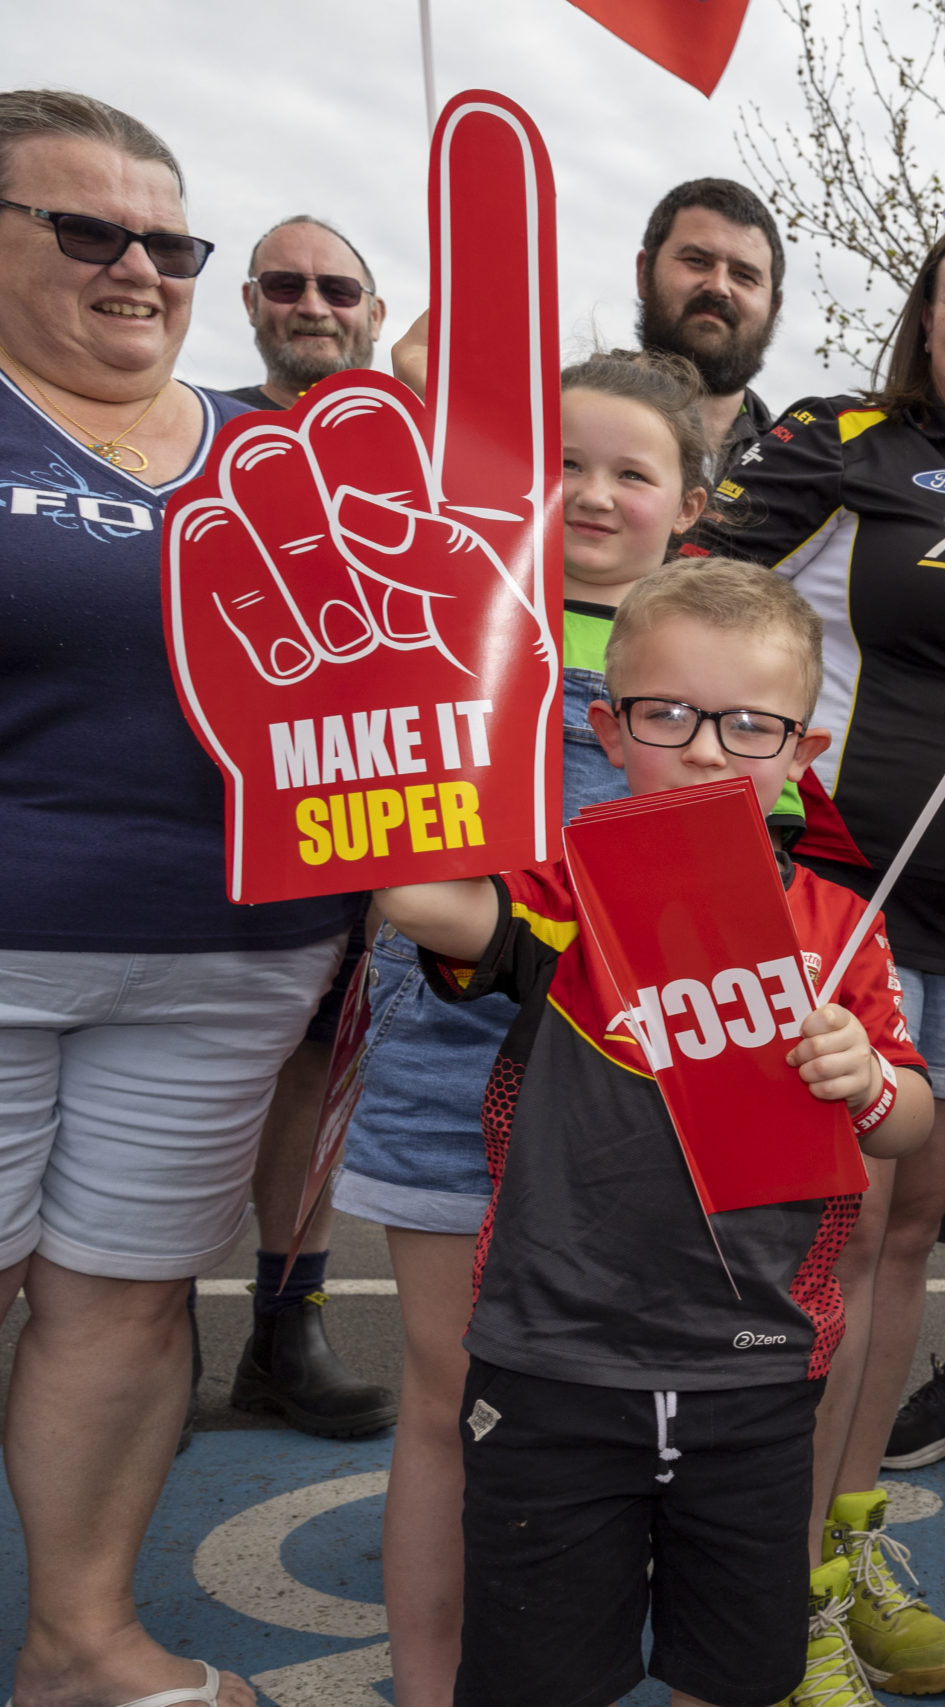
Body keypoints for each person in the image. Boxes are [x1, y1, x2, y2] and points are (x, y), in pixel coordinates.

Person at [375, 559, 934, 1707]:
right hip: (553, 1361)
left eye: (749, 725)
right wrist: (427, 735)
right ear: (608, 729)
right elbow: (418, 900)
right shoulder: (567, 889)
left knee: (737, 1673)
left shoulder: (839, 927)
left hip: (759, 1368)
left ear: (803, 753)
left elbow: (908, 1125)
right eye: (667, 714)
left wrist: (866, 1078)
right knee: (536, 1676)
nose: (708, 751)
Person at [684, 198, 945, 1698]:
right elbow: (689, 603)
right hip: (838, 901)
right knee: (827, 1238)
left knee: (906, 1234)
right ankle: (763, 1584)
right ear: (927, 317)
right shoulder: (844, 438)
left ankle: (838, 1560)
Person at [0, 89, 366, 1707]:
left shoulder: (267, 451)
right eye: (90, 231)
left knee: (128, 1302)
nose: (139, 268)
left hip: (232, 958)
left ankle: (82, 1643)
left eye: (170, 242)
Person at [335, 350, 710, 1705]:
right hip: (450, 1060)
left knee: (628, 1407)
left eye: (631, 471)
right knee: (449, 1395)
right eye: (564, 463)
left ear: (690, 502)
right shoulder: (443, 621)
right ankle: (430, 1683)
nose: (593, 494)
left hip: (645, 1084)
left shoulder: (719, 649)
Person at [213, 210, 397, 1443]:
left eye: (338, 287)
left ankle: (284, 1329)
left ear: (374, 312)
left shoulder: (412, 450)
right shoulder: (202, 435)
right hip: (218, 818)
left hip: (365, 812)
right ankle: (137, 1319)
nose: (313, 304)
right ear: (250, 302)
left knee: (321, 1077)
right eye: (286, 284)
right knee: (195, 1082)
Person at [637, 178, 785, 476]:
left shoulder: (794, 467)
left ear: (773, 308)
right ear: (643, 273)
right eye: (696, 261)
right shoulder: (552, 423)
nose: (718, 286)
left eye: (743, 276)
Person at [223, 214, 383, 410]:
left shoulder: (414, 426)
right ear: (251, 303)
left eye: (338, 291)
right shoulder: (202, 421)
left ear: (375, 316)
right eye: (286, 287)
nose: (313, 309)